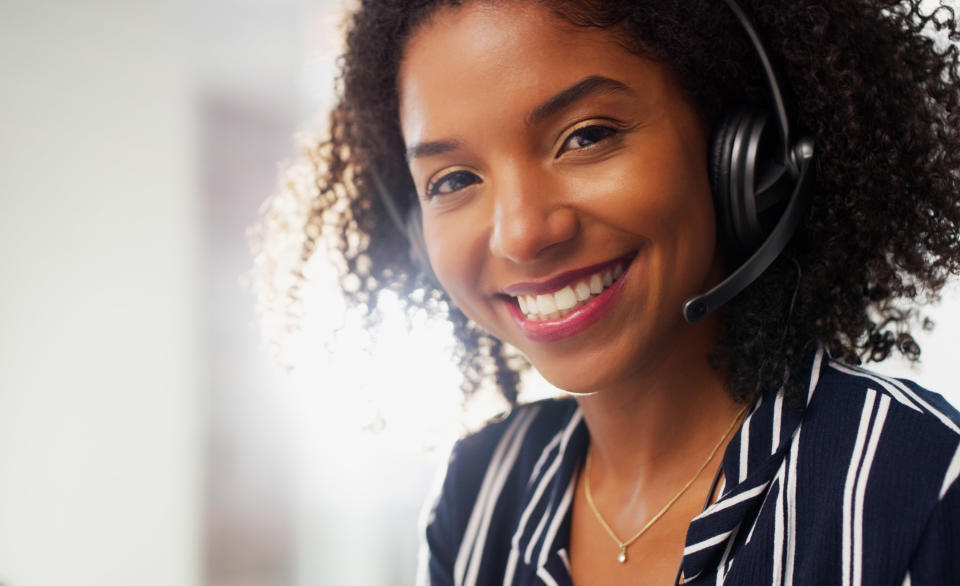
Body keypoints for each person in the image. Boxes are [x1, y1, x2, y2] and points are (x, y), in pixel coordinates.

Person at [254, 0, 960, 583]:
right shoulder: (479, 497)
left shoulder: (920, 484)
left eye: (586, 136)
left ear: (740, 150)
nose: (523, 234)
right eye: (454, 180)